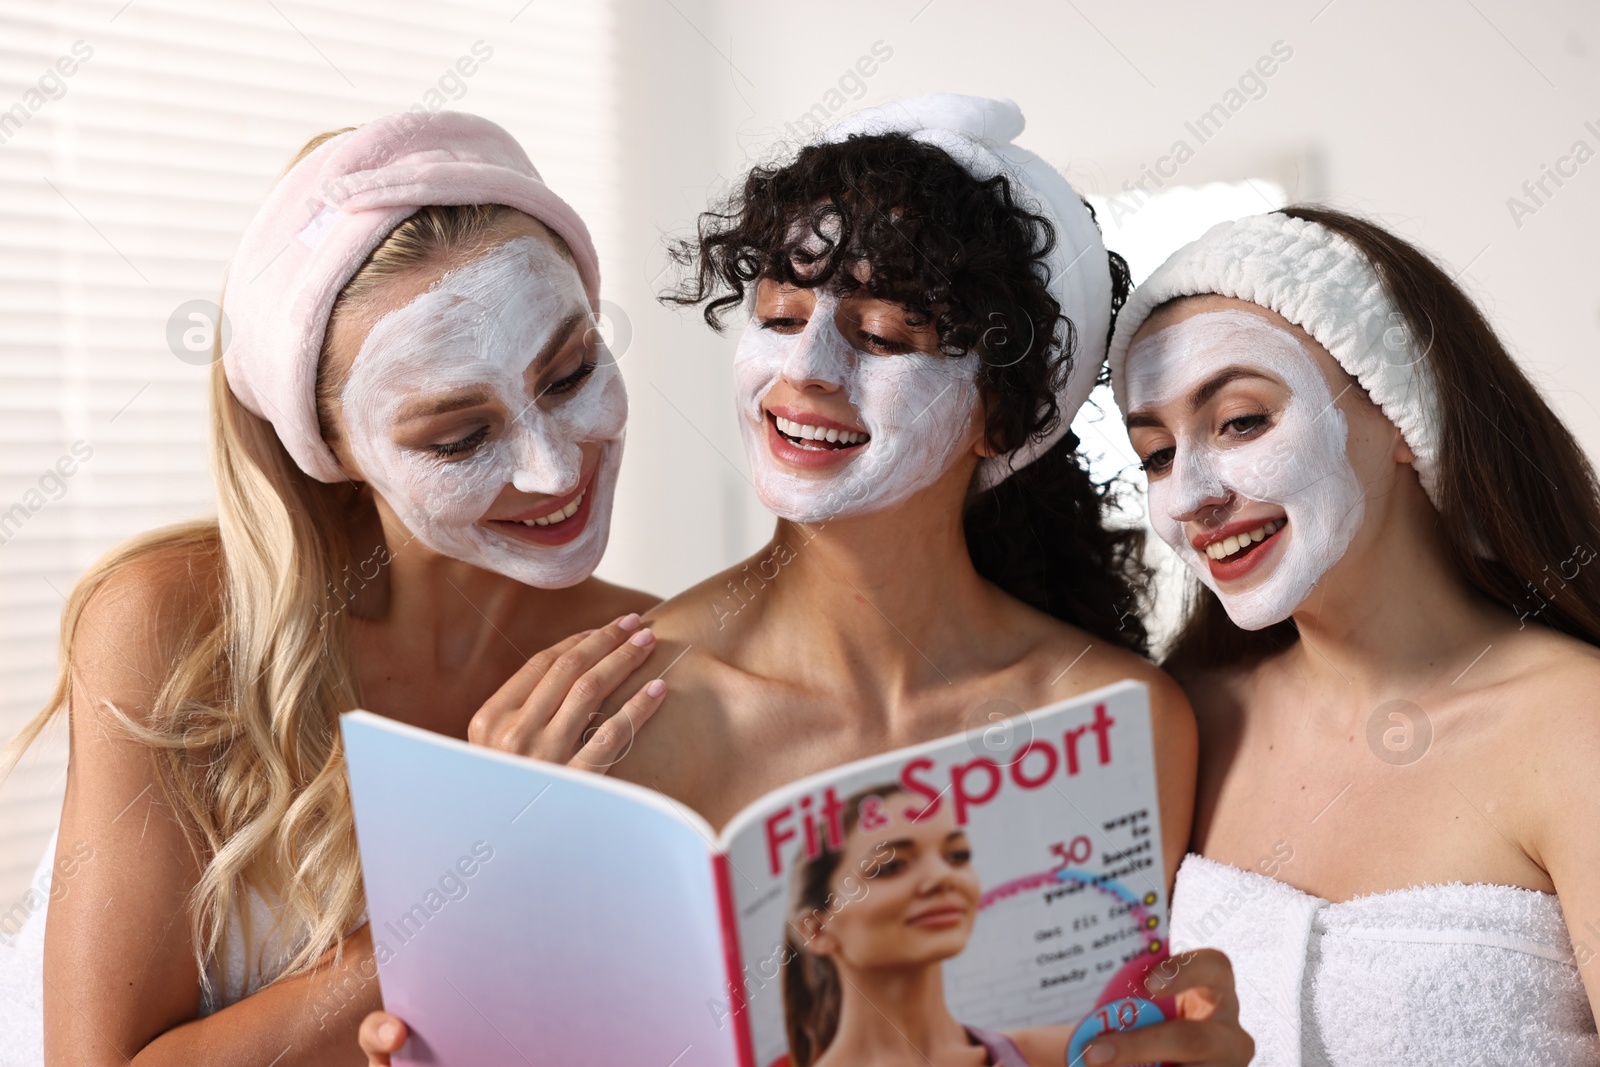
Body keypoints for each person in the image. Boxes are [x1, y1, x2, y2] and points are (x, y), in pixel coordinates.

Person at [362, 94, 1252, 1067]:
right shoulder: (617, 716)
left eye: (880, 334)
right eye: (779, 316)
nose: (805, 368)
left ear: (1001, 415)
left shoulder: (1118, 722)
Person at [0, 111, 668, 1066]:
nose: (555, 470)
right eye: (456, 437)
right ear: (330, 452)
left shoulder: (639, 668)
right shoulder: (172, 629)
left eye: (570, 373)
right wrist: (479, 869)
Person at [1109, 206, 1600, 1065]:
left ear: (1405, 418)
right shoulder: (1186, 722)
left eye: (1240, 421)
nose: (1190, 496)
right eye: (1155, 454)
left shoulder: (1574, 726)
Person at [782, 783, 1139, 1067]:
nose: (942, 877)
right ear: (817, 930)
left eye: (957, 856)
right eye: (890, 867)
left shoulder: (1066, 1055)